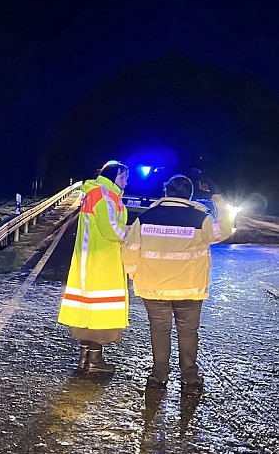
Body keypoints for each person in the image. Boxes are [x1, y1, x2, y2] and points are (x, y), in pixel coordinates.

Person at [122, 174, 233, 390]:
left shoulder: (145, 218)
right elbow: (225, 231)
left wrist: (135, 275)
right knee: (188, 331)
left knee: (159, 329)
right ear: (189, 195)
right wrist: (221, 204)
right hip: (189, 289)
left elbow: (130, 251)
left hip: (153, 288)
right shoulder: (201, 220)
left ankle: (159, 375)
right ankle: (189, 377)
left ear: (166, 192)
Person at [58, 160, 130, 374]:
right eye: (123, 177)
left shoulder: (98, 193)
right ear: (113, 176)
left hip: (90, 260)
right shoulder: (104, 195)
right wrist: (131, 237)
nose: (126, 182)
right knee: (101, 313)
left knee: (88, 312)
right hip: (102, 261)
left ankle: (85, 360)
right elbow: (110, 229)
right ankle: (95, 361)